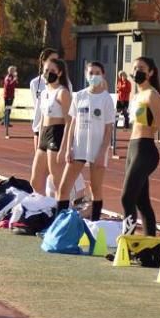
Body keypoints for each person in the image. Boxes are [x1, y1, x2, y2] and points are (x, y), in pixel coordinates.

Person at [120, 57, 160, 236]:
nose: (137, 71)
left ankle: (127, 243)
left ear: (150, 72)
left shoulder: (152, 95)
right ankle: (150, 243)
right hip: (133, 148)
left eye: (142, 68)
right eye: (135, 67)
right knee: (141, 202)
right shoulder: (136, 96)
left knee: (127, 197)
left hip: (145, 150)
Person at [57, 61, 115, 219]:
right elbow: (72, 124)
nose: (94, 76)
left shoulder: (106, 99)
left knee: (96, 189)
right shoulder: (79, 96)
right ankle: (58, 224)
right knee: (63, 188)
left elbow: (109, 129)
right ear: (86, 75)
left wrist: (102, 153)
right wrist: (69, 147)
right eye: (91, 73)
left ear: (103, 75)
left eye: (97, 73)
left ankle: (95, 222)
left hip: (97, 150)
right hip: (78, 149)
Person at [30, 57, 72, 199]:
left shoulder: (62, 93)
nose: (48, 73)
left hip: (57, 134)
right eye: (46, 70)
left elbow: (70, 121)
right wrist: (39, 140)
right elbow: (42, 119)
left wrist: (64, 147)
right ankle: (44, 208)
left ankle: (66, 210)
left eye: (52, 70)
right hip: (45, 135)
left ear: (59, 73)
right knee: (35, 181)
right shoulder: (44, 92)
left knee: (57, 180)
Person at [29, 49, 58, 150]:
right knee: (39, 163)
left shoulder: (65, 83)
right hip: (39, 127)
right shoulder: (35, 83)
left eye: (57, 60)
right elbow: (37, 105)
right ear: (43, 61)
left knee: (53, 164)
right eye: (52, 59)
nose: (55, 63)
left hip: (56, 128)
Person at [2, 65, 18, 137]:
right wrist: (14, 80)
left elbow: (15, 84)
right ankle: (6, 122)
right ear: (10, 71)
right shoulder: (8, 77)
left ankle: (4, 121)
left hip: (10, 95)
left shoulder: (11, 77)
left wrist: (15, 80)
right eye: (13, 70)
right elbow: (8, 85)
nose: (15, 71)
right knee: (7, 109)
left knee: (8, 109)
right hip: (8, 95)